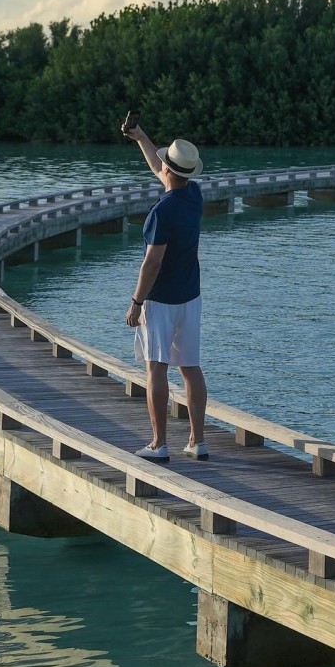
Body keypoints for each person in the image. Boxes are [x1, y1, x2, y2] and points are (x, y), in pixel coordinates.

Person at [122, 117, 209, 463]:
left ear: (169, 171)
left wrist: (135, 302)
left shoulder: (161, 212)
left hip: (159, 300)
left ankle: (158, 445)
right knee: (190, 367)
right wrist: (140, 137)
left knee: (156, 369)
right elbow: (162, 170)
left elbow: (152, 264)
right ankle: (197, 441)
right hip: (191, 298)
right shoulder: (194, 196)